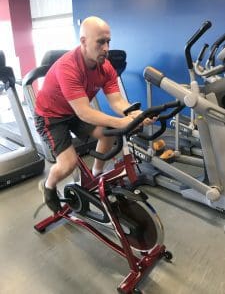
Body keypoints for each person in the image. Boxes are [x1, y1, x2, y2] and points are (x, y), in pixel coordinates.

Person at [35, 16, 156, 214]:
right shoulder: (68, 67)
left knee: (107, 132)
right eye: (101, 42)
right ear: (83, 42)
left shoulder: (105, 67)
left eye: (108, 41)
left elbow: (117, 101)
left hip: (74, 111)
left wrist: (136, 114)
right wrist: (122, 122)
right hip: (51, 116)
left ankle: (96, 175)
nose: (106, 48)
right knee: (68, 164)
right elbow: (84, 112)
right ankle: (48, 186)